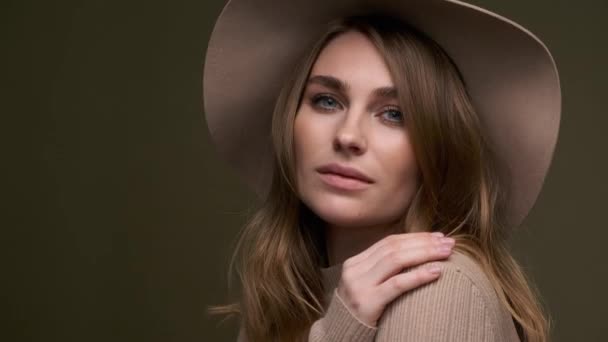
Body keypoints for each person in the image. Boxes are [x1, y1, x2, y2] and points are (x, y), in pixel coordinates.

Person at [203, 1, 561, 341]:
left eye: (394, 114)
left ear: (438, 149)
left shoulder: (435, 288)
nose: (347, 136)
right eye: (326, 101)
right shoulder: (282, 294)